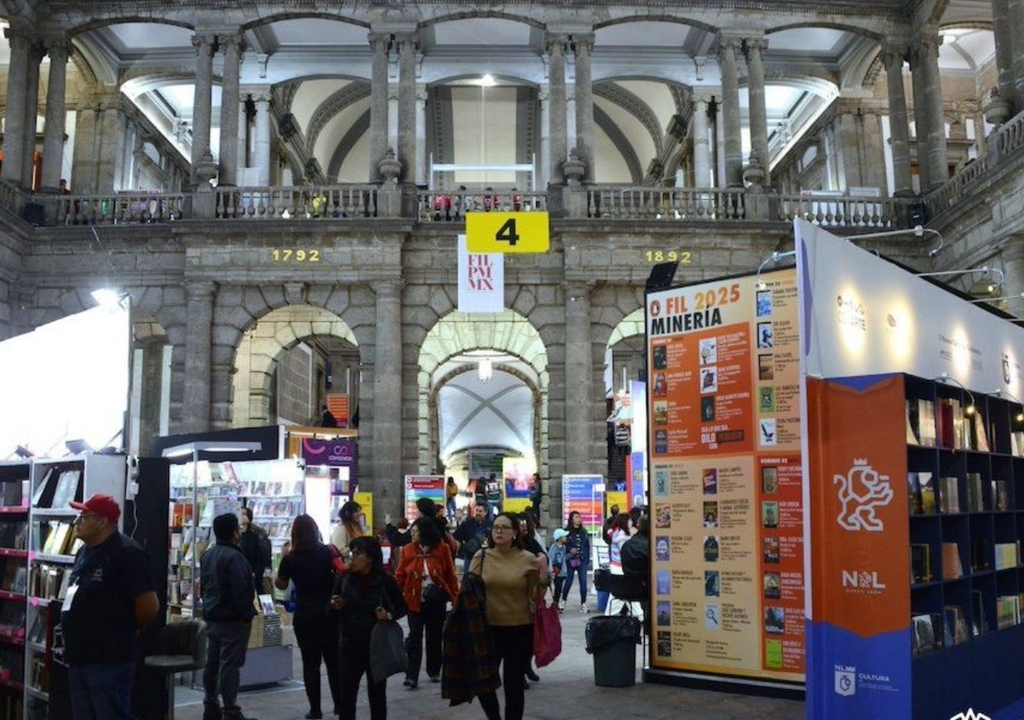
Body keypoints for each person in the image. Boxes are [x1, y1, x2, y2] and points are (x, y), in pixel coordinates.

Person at [62, 493, 159, 720]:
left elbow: (149, 606)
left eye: (84, 517)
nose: (77, 522)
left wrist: (126, 629)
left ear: (103, 521)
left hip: (108, 660)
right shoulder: (84, 552)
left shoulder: (128, 553)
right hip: (78, 656)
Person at [467, 512, 541, 720]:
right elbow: (469, 591)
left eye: (504, 527)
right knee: (483, 681)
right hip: (487, 628)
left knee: (514, 684)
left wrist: (543, 574)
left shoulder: (527, 558)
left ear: (515, 532)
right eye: (496, 527)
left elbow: (536, 596)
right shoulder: (481, 557)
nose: (498, 531)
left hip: (519, 628)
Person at [330, 536, 407, 720]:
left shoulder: (385, 581)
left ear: (370, 558)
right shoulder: (345, 578)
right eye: (351, 554)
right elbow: (333, 601)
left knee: (377, 694)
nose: (352, 559)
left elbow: (402, 607)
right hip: (349, 644)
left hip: (375, 646)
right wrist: (335, 604)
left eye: (358, 555)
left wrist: (388, 615)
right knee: (347, 694)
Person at [275, 515, 340, 720]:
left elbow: (281, 585)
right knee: (334, 662)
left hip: (305, 614)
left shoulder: (290, 558)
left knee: (310, 663)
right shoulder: (327, 551)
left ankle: (315, 709)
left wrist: (284, 557)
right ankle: (340, 704)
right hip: (329, 612)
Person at [201, 513, 258, 720]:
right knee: (230, 666)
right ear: (234, 533)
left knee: (212, 663)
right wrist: (247, 615)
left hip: (212, 617)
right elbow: (241, 590)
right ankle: (231, 710)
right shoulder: (235, 558)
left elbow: (203, 587)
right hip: (232, 619)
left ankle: (210, 705)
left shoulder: (208, 555)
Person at [394, 517, 459, 689]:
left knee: (434, 636)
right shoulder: (407, 549)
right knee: (414, 636)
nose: (412, 534)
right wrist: (394, 595)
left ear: (425, 533)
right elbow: (400, 575)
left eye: (416, 531)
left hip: (436, 600)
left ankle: (434, 669)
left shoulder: (442, 549)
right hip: (413, 600)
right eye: (412, 531)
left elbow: (450, 575)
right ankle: (411, 675)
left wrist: (455, 598)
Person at [560, 510, 591, 612]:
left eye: (579, 517)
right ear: (571, 519)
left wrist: (587, 559)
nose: (579, 519)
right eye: (576, 517)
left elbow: (587, 546)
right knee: (569, 580)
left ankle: (583, 603)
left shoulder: (584, 531)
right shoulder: (566, 531)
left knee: (583, 581)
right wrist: (569, 550)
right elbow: (562, 545)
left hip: (582, 559)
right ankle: (563, 600)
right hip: (570, 559)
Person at [239, 506, 272, 595]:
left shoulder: (256, 534)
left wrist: (257, 571)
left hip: (255, 572)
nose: (240, 516)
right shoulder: (236, 534)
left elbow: (261, 555)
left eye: (243, 514)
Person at [453, 503, 491, 575]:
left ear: (485, 512)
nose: (478, 513)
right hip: (469, 557)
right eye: (476, 510)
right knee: (468, 578)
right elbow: (457, 538)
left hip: (485, 558)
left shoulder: (490, 525)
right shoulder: (467, 523)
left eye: (480, 511)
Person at [547, 528, 569, 608]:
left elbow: (564, 558)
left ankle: (556, 603)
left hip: (562, 572)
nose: (566, 538)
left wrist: (570, 555)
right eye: (564, 536)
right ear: (559, 538)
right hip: (556, 572)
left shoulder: (564, 547)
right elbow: (551, 559)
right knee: (557, 589)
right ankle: (555, 604)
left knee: (559, 589)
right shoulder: (553, 548)